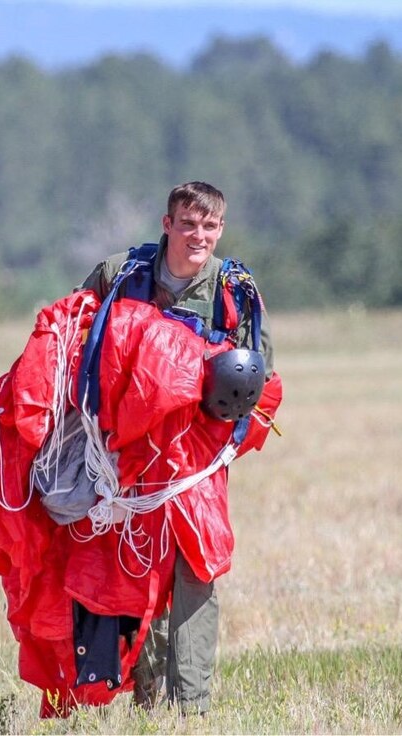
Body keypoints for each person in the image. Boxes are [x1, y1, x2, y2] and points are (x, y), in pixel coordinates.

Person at [78, 181, 273, 714]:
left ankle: (190, 706)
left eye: (210, 226)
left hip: (195, 458)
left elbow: (260, 376)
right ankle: (144, 696)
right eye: (189, 224)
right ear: (167, 225)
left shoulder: (233, 291)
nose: (199, 236)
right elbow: (72, 336)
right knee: (133, 566)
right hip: (125, 453)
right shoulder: (121, 275)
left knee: (195, 567)